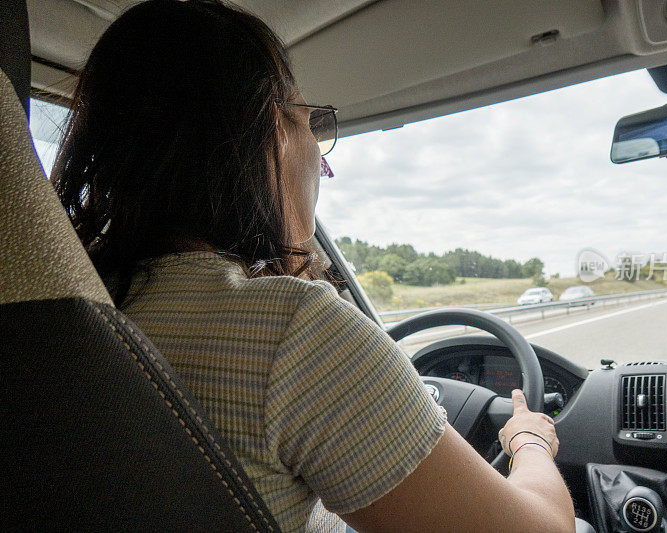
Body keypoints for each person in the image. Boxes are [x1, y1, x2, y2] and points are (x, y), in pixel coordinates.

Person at [52, 1, 575, 531]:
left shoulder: (66, 310)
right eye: (311, 123)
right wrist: (529, 441)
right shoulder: (293, 331)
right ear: (271, 134)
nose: (322, 165)